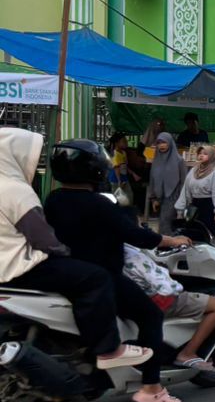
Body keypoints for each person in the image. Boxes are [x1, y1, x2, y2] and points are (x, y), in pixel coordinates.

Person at [45, 140, 194, 402]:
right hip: (103, 274)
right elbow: (134, 234)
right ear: (94, 169)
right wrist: (168, 241)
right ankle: (151, 386)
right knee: (151, 315)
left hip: (66, 272)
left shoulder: (53, 199)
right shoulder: (98, 204)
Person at [0, 129, 140, 371]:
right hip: (21, 267)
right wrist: (66, 252)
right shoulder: (15, 191)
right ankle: (107, 349)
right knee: (96, 277)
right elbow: (44, 240)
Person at [121, 244, 215, 371]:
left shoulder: (104, 253)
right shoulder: (133, 257)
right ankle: (187, 354)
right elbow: (169, 289)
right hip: (153, 304)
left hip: (125, 304)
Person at [178, 144, 215, 243]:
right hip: (194, 206)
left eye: (205, 154)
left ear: (212, 156)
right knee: (192, 233)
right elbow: (185, 190)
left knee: (209, 233)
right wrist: (181, 209)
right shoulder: (193, 170)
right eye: (199, 153)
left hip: (209, 207)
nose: (201, 155)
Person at [147, 132, 186, 235]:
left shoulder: (179, 161)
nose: (161, 145)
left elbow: (184, 182)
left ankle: (167, 245)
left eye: (164, 142)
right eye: (159, 143)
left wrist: (182, 201)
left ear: (170, 143)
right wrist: (153, 198)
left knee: (166, 223)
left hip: (174, 197)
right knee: (164, 223)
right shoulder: (156, 160)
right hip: (160, 198)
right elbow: (152, 180)